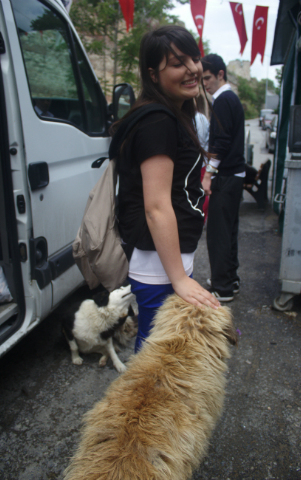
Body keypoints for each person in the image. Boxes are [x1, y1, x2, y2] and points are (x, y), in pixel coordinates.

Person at [109, 26, 220, 351]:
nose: (192, 70)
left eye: (194, 59)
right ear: (153, 75)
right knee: (157, 354)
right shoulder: (157, 120)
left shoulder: (172, 113)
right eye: (177, 63)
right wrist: (179, 278)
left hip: (164, 260)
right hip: (157, 264)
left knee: (161, 349)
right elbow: (155, 207)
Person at [201, 54, 245, 302]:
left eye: (207, 78)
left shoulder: (223, 100)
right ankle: (229, 279)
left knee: (218, 231)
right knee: (228, 230)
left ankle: (223, 287)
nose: (204, 84)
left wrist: (208, 174)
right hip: (234, 175)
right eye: (202, 79)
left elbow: (222, 141)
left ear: (220, 74)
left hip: (226, 175)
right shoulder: (230, 99)